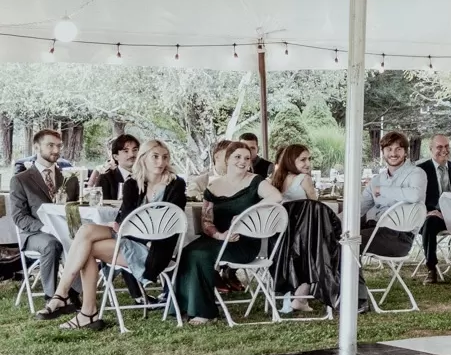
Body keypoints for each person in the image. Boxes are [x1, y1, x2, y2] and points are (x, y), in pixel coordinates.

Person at [40, 140, 187, 329]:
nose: (160, 162)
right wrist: (121, 227)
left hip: (155, 251)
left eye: (164, 157)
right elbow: (127, 218)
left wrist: (124, 228)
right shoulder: (133, 184)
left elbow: (167, 224)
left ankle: (78, 307)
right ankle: (68, 300)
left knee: (88, 249)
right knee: (85, 231)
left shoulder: (175, 184)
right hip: (129, 239)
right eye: (155, 157)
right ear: (144, 158)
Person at [174, 140, 284, 323]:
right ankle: (186, 306)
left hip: (244, 241)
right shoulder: (213, 186)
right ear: (227, 159)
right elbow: (206, 220)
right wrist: (219, 235)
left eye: (247, 158)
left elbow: (277, 197)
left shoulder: (256, 181)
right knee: (187, 252)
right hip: (219, 237)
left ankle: (205, 313)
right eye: (237, 157)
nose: (242, 161)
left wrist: (245, 214)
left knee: (200, 254)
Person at [9, 130, 80, 306]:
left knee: (81, 241)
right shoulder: (21, 180)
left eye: (59, 146)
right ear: (36, 147)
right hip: (34, 234)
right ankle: (53, 296)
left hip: (65, 230)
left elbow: (76, 210)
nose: (56, 150)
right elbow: (19, 217)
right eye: (50, 145)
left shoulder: (70, 178)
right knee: (51, 243)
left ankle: (76, 291)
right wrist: (44, 227)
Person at [270, 143, 341, 314]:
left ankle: (292, 298)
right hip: (305, 234)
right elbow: (316, 207)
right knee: (325, 247)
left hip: (282, 239)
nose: (307, 163)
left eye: (309, 159)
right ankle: (301, 297)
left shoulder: (277, 180)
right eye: (302, 160)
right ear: (290, 160)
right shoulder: (304, 179)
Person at [358, 132, 426, 267]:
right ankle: (347, 286)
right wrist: (333, 219)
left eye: (398, 149)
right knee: (336, 236)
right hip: (375, 229)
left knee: (347, 242)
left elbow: (415, 195)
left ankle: (353, 287)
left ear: (405, 152)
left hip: (400, 238)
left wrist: (382, 190)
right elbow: (359, 207)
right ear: (383, 152)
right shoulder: (377, 179)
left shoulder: (416, 173)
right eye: (389, 149)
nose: (393, 153)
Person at [414, 134, 451, 285]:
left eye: (446, 146)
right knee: (430, 222)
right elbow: (414, 197)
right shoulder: (420, 170)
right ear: (431, 149)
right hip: (430, 215)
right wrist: (425, 212)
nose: (444, 150)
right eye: (439, 147)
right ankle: (431, 268)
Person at [91, 133, 139, 201]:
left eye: (135, 150)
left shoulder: (146, 177)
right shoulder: (106, 179)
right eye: (126, 151)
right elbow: (102, 208)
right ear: (115, 156)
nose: (132, 154)